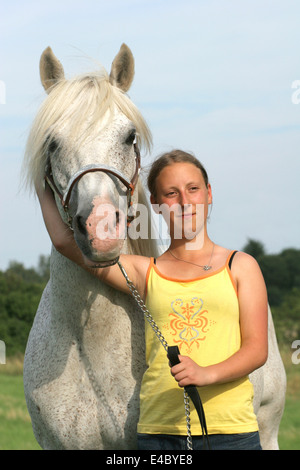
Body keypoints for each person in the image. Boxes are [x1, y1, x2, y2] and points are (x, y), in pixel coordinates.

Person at [37, 149, 268, 450]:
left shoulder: (241, 266)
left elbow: (256, 350)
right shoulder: (146, 272)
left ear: (208, 194)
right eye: (171, 194)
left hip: (231, 432)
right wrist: (42, 181)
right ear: (156, 205)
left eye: (193, 189)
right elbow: (65, 243)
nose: (185, 202)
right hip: (159, 434)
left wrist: (205, 373)